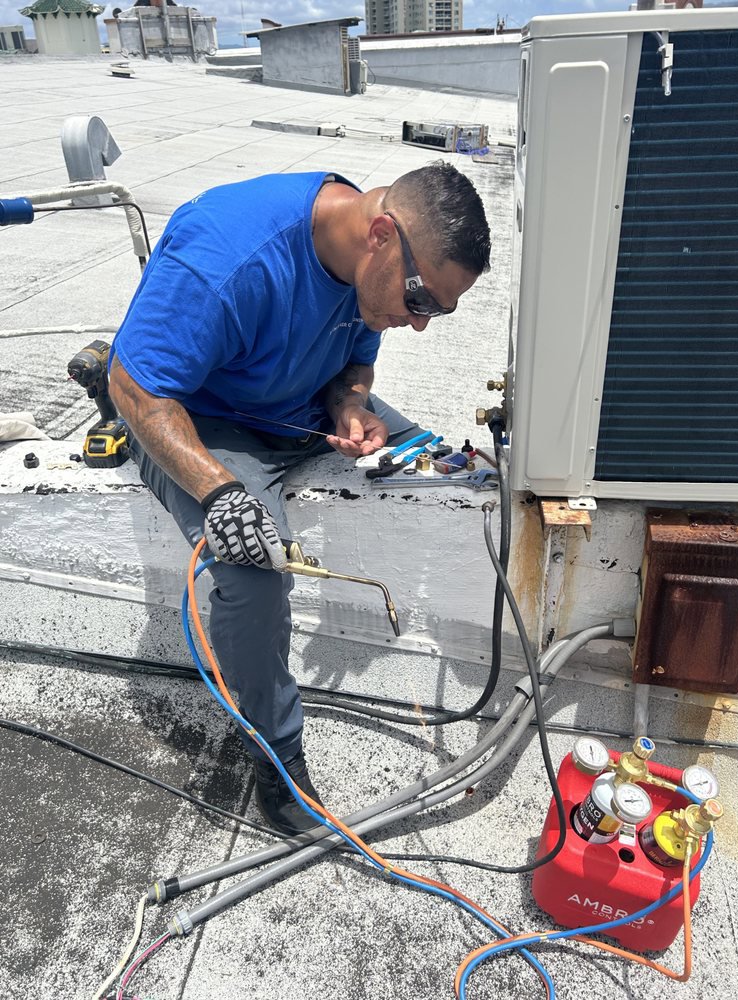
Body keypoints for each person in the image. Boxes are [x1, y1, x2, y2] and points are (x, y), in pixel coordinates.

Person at [109, 162, 491, 835]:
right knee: (253, 571)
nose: (420, 324)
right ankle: (277, 763)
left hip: (301, 405)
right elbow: (135, 386)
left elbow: (356, 360)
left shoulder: (369, 270)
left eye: (438, 309)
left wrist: (350, 403)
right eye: (421, 300)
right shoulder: (227, 255)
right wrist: (220, 493)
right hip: (201, 420)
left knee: (446, 467)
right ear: (381, 234)